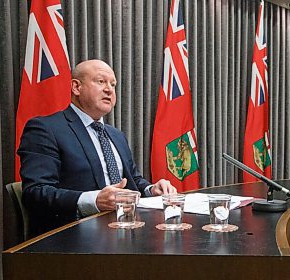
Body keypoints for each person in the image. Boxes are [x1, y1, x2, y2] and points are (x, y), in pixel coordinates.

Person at [18, 59, 177, 235]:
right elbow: (36, 193)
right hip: (74, 237)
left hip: (125, 229)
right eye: (101, 81)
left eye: (113, 84)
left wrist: (151, 189)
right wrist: (94, 200)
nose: (109, 89)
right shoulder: (46, 129)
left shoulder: (116, 135)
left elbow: (133, 181)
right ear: (76, 87)